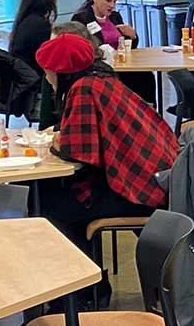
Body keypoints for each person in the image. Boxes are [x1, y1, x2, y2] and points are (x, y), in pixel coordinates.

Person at [35, 33, 179, 272]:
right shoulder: (102, 78)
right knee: (52, 194)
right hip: (154, 178)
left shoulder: (83, 89)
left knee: (49, 207)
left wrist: (57, 143)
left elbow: (76, 151)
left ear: (61, 71)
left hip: (138, 191)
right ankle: (89, 287)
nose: (47, 77)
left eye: (48, 71)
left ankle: (86, 290)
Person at [35, 21, 104, 131]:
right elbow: (45, 122)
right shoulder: (51, 75)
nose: (51, 53)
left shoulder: (86, 87)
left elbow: (84, 132)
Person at [8, 0, 57, 74]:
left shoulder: (25, 21)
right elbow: (46, 58)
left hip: (23, 76)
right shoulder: (39, 25)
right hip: (34, 78)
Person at [70, 0, 137, 50]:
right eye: (108, 0)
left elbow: (129, 47)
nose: (112, 5)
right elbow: (79, 49)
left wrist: (133, 37)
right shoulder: (81, 18)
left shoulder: (115, 16)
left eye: (115, 1)